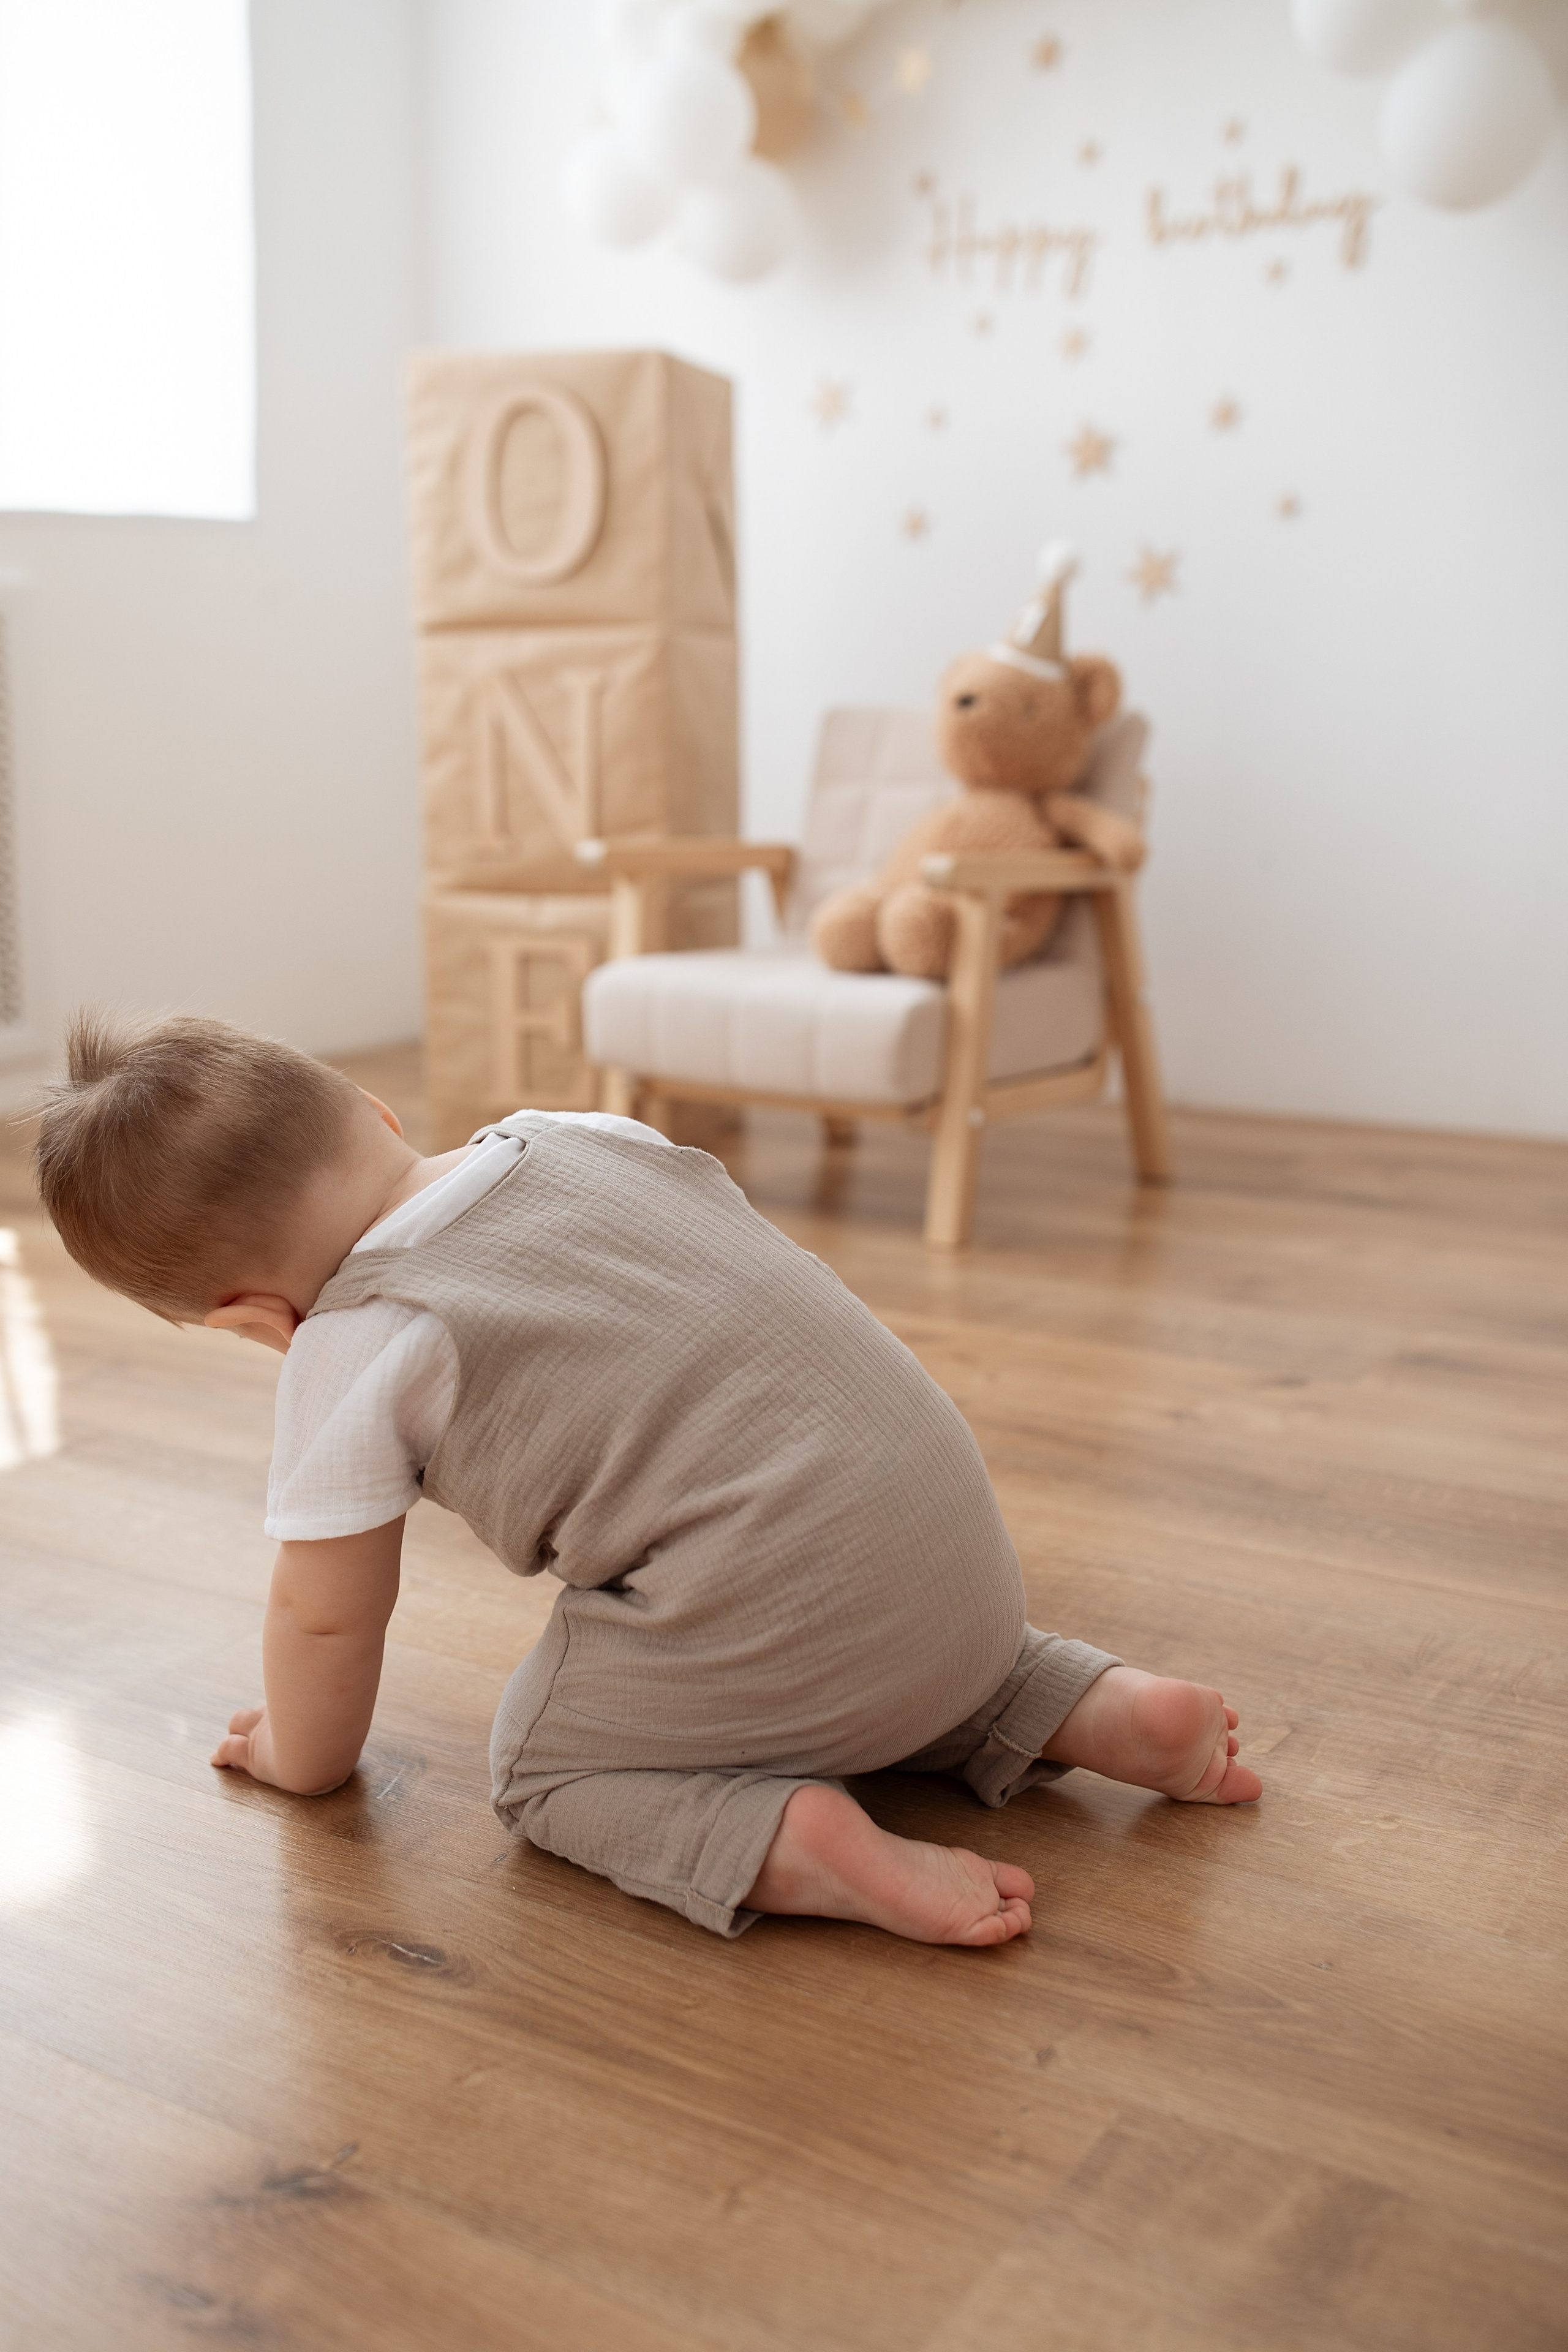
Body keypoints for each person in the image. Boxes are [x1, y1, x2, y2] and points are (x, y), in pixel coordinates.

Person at [36, 1012, 1261, 1948]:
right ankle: (1082, 1707)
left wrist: (298, 1762)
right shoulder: (578, 1135)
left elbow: (323, 1613)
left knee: (542, 1765)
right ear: (377, 1113)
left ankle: (793, 1843)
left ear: (253, 1316)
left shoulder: (357, 1342)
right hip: (956, 1554)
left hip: (796, 1616)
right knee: (845, 1591)